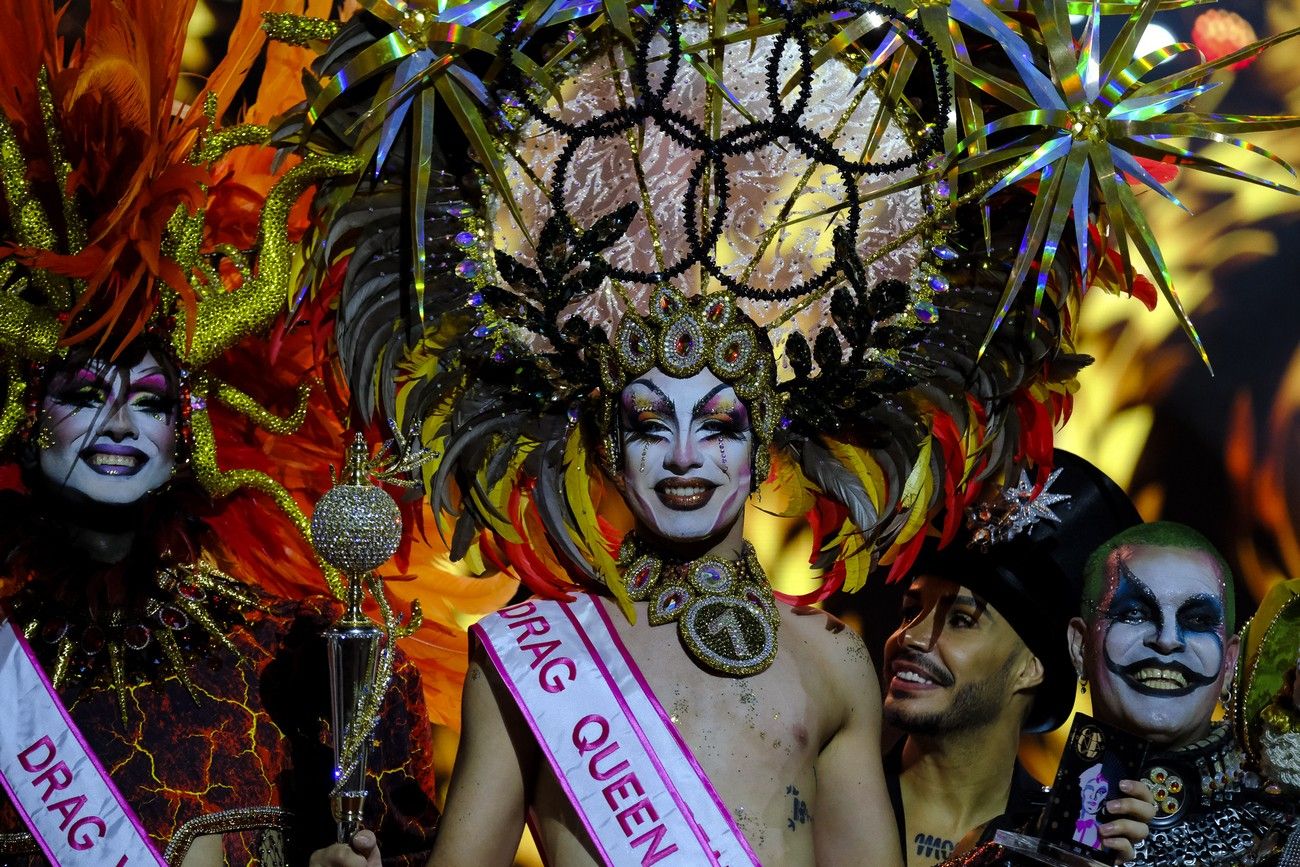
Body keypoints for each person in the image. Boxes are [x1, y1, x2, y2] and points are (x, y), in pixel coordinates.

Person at [0, 2, 444, 863]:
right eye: (87, 390)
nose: (120, 421)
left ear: (189, 423)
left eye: (153, 397)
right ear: (24, 413)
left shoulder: (300, 664)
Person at [881, 453, 1154, 866]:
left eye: (960, 620)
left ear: (1032, 667)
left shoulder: (1062, 848)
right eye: (909, 611)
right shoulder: (820, 794)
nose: (910, 637)